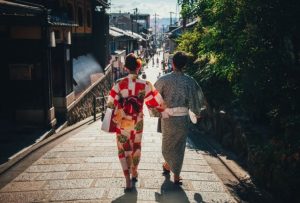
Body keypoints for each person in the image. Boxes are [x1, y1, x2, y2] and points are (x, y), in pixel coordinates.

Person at [107, 53, 165, 191]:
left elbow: (110, 103)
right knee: (136, 146)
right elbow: (156, 101)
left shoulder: (118, 84)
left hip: (122, 121)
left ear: (126, 68)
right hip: (138, 120)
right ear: (138, 67)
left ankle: (127, 179)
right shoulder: (145, 84)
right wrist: (165, 111)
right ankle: (134, 171)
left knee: (123, 147)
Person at [154, 51, 205, 184]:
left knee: (168, 143)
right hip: (182, 118)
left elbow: (153, 96)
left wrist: (159, 110)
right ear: (184, 65)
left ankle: (169, 167)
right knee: (179, 146)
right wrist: (197, 112)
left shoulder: (164, 79)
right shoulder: (189, 81)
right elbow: (197, 96)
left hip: (167, 117)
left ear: (173, 63)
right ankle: (174, 173)